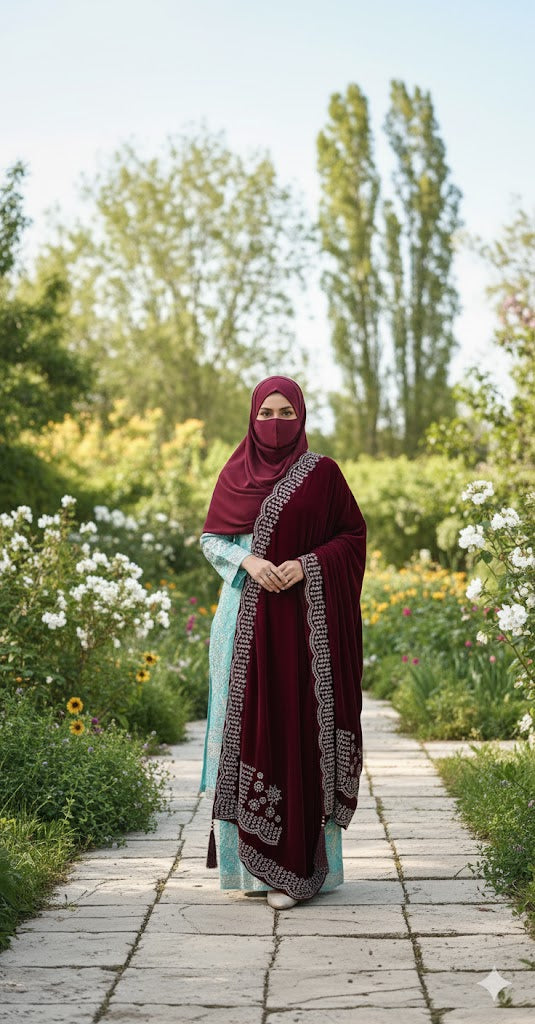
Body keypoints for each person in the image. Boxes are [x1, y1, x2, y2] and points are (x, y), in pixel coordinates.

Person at [199, 375, 366, 910]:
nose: (275, 422)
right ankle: (248, 873)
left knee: (297, 726)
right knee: (241, 729)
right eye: (266, 412)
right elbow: (211, 538)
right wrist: (247, 561)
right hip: (240, 621)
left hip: (302, 626)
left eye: (285, 412)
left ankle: (299, 866)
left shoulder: (323, 475)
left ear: (301, 417)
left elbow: (351, 537)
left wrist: (305, 566)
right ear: (252, 416)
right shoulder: (234, 472)